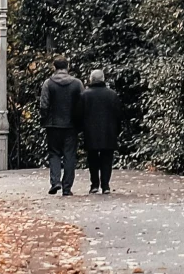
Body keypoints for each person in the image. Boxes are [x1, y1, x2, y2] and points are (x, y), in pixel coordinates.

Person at [39, 62, 85, 195]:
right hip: (71, 125)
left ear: (54, 67)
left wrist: (44, 119)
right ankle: (67, 188)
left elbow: (44, 104)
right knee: (69, 155)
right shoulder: (77, 83)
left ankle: (55, 182)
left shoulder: (48, 83)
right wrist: (80, 121)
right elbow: (82, 103)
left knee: (54, 153)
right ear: (68, 67)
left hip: (53, 124)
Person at [81, 67, 122, 194]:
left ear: (91, 79)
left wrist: (81, 129)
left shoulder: (84, 95)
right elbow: (118, 114)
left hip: (90, 132)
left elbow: (79, 114)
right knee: (107, 159)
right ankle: (105, 185)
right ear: (103, 79)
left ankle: (94, 184)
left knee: (92, 158)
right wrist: (117, 130)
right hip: (108, 131)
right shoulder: (112, 94)